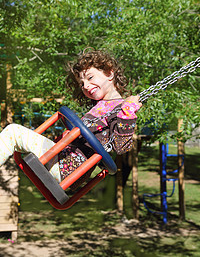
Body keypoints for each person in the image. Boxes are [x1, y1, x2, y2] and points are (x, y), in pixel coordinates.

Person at [0, 49, 142, 189]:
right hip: (63, 160)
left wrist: (129, 109)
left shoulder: (122, 108)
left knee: (13, 132)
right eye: (81, 83)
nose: (85, 86)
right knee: (13, 139)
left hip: (68, 167)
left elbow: (122, 146)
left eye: (90, 77)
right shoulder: (100, 107)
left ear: (109, 73)